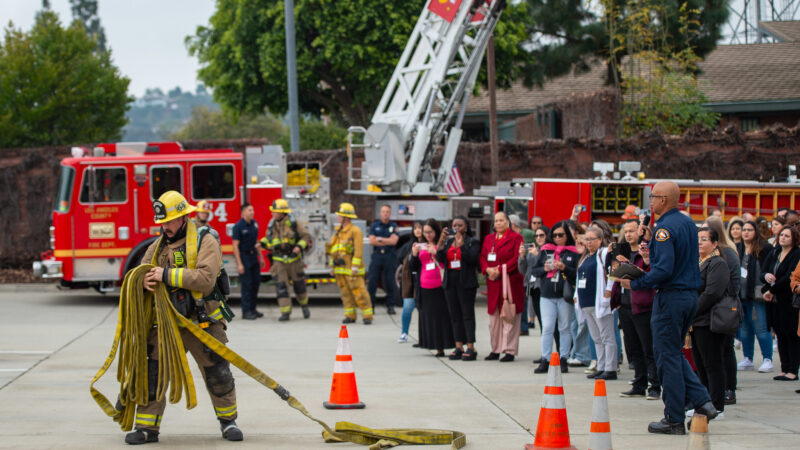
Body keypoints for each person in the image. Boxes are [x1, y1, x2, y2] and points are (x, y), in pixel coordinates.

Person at [125, 191, 242, 444]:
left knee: (218, 373)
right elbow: (139, 273)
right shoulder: (157, 247)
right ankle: (147, 428)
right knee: (152, 373)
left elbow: (206, 279)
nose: (165, 227)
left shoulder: (205, 240)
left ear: (184, 217)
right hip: (166, 324)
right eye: (162, 223)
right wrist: (143, 280)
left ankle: (228, 422)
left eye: (170, 221)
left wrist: (165, 275)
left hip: (201, 321)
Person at [619, 180, 717, 435]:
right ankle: (702, 401)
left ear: (664, 200)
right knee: (672, 352)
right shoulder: (685, 222)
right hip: (687, 296)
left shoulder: (663, 228)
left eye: (653, 197)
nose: (650, 201)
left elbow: (664, 270)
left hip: (671, 297)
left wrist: (637, 282)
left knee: (666, 357)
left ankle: (674, 417)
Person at [614, 220, 660, 400]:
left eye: (633, 230)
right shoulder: (624, 253)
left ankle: (654, 385)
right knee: (633, 348)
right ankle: (639, 383)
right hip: (626, 304)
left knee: (648, 347)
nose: (629, 234)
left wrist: (646, 258)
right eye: (626, 231)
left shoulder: (647, 252)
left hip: (644, 305)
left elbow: (653, 275)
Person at [690, 227, 731, 420]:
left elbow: (712, 293)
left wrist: (692, 310)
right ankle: (703, 404)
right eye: (697, 239)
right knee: (700, 364)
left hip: (709, 320)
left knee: (712, 364)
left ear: (715, 244)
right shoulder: (697, 262)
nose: (699, 242)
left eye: (704, 239)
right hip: (697, 321)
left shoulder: (717, 264)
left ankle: (717, 405)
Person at [532, 220, 579, 373]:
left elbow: (576, 274)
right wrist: (545, 269)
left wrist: (564, 267)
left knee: (564, 327)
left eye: (561, 235)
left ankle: (563, 358)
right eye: (555, 235)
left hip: (564, 295)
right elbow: (535, 270)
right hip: (547, 294)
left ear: (567, 236)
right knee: (547, 327)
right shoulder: (545, 250)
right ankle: (545, 358)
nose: (558, 238)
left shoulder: (572, 252)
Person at [704, 216, 741, 405]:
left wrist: (728, 300)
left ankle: (729, 388)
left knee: (726, 350)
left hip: (724, 307)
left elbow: (735, 284)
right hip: (711, 309)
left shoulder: (728, 253)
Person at [480, 212, 525, 362]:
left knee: (509, 316)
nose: (498, 223)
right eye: (496, 221)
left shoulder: (516, 238)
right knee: (494, 319)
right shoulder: (489, 238)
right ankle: (495, 349)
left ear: (508, 223)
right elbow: (482, 257)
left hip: (510, 281)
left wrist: (500, 269)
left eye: (501, 220)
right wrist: (487, 269)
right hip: (493, 282)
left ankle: (509, 350)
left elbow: (517, 258)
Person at [576, 226, 618, 380]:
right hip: (586, 303)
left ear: (600, 240)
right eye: (587, 239)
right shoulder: (585, 257)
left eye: (592, 239)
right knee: (597, 338)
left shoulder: (603, 253)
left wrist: (608, 290)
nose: (589, 242)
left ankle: (610, 367)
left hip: (600, 302)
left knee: (607, 336)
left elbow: (612, 271)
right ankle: (601, 366)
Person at [260, 198, 312, 321]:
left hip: (294, 260)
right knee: (281, 287)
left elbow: (306, 237)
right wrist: (263, 242)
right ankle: (285, 313)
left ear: (282, 213)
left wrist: (298, 248)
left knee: (299, 286)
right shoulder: (272, 224)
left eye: (274, 211)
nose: (272, 213)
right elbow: (268, 238)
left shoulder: (294, 223)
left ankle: (304, 306)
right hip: (279, 261)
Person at [437, 216, 481, 360]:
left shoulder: (472, 242)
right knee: (454, 315)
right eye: (454, 225)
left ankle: (470, 347)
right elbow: (440, 258)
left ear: (466, 227)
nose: (456, 228)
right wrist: (441, 240)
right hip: (450, 282)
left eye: (460, 225)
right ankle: (458, 346)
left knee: (467, 315)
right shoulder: (449, 241)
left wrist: (461, 246)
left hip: (466, 283)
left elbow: (473, 259)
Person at [411, 219, 454, 356]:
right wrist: (414, 255)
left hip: (440, 286)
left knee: (441, 317)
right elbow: (413, 268)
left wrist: (435, 251)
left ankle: (443, 346)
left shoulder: (443, 244)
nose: (428, 235)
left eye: (430, 232)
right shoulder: (420, 245)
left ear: (436, 231)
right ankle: (432, 345)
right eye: (425, 232)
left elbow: (447, 260)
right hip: (424, 285)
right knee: (428, 317)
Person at [763, 225, 800, 381]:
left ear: (794, 238)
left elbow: (790, 277)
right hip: (774, 301)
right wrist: (766, 278)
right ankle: (784, 368)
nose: (783, 238)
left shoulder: (796, 254)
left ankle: (792, 370)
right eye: (782, 235)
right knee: (780, 334)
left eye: (787, 235)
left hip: (788, 300)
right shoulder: (775, 252)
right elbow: (764, 270)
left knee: (791, 335)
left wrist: (772, 290)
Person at [737, 220, 774, 373]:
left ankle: (767, 358)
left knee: (761, 328)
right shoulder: (738, 248)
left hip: (757, 295)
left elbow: (768, 270)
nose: (746, 232)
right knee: (745, 329)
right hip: (741, 295)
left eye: (750, 230)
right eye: (744, 229)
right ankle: (748, 358)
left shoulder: (764, 248)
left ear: (756, 232)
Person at [328, 203, 373, 324]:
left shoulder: (355, 231)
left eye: (340, 215)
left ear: (346, 217)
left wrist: (355, 267)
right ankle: (350, 315)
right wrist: (332, 266)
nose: (338, 217)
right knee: (345, 294)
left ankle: (367, 316)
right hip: (340, 269)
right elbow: (334, 250)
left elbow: (358, 250)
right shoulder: (338, 231)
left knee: (359, 292)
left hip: (351, 270)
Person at [232, 203, 265, 320]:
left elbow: (256, 241)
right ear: (243, 212)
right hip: (244, 257)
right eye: (250, 210)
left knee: (256, 284)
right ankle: (246, 312)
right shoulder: (238, 226)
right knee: (247, 285)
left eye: (253, 210)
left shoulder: (254, 224)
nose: (252, 212)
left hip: (254, 257)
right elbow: (235, 246)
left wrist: (261, 257)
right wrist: (239, 264)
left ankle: (253, 309)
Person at [367, 205, 400, 315]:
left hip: (389, 256)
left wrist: (379, 239)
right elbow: (371, 241)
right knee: (372, 281)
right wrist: (387, 240)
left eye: (387, 212)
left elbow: (394, 242)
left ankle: (390, 306)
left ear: (390, 213)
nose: (385, 213)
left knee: (390, 281)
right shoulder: (375, 225)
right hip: (377, 256)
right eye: (383, 211)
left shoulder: (393, 226)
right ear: (380, 213)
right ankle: (370, 306)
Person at [397, 221, 424, 343]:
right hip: (410, 282)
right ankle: (404, 333)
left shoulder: (428, 244)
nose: (418, 230)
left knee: (423, 311)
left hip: (424, 281)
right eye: (415, 228)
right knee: (407, 308)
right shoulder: (408, 245)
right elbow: (400, 259)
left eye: (420, 228)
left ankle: (424, 336)